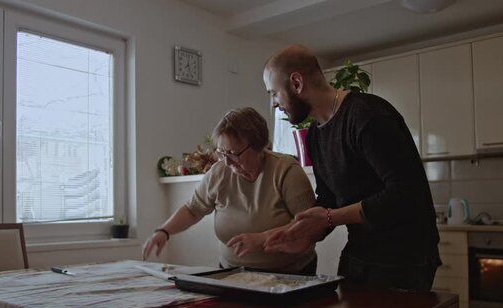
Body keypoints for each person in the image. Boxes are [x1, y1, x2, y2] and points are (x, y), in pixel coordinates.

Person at [262, 45, 441, 291]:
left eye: (274, 93)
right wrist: (306, 236)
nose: (273, 104)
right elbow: (328, 199)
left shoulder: (367, 116)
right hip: (360, 251)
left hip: (405, 257)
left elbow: (404, 193)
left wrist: (327, 218)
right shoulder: (314, 134)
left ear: (296, 83)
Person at [142, 107, 318, 275]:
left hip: (291, 274)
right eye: (221, 153)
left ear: (258, 146)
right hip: (233, 273)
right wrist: (163, 232)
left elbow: (311, 226)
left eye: (233, 153)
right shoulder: (219, 172)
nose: (226, 162)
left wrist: (263, 238)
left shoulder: (286, 171)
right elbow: (192, 209)